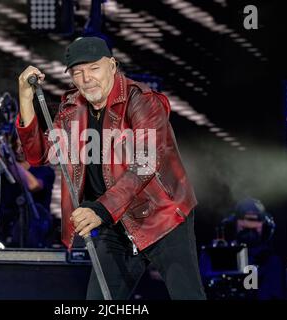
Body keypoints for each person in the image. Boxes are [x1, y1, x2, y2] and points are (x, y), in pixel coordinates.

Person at [16, 36, 206, 299]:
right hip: (113, 223)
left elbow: (145, 163)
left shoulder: (142, 100)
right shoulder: (72, 108)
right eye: (77, 72)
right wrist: (25, 99)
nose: (86, 79)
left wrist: (101, 209)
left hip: (161, 217)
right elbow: (39, 155)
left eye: (94, 68)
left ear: (112, 66)